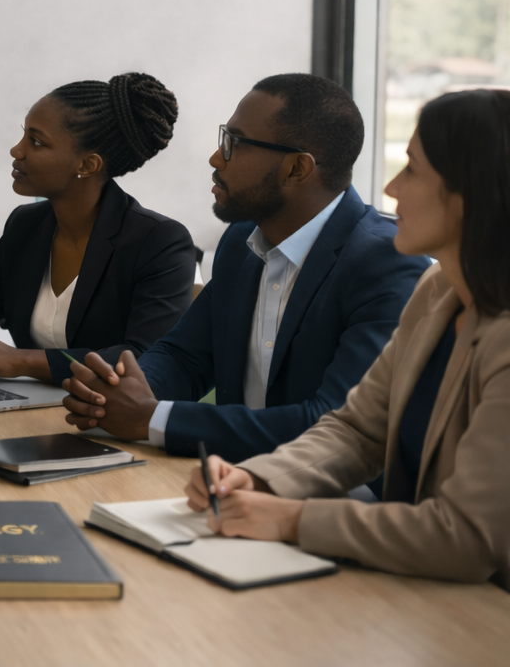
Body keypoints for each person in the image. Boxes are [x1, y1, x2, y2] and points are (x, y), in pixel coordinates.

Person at [187, 90, 510, 587]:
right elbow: (357, 430)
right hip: (421, 589)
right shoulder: (437, 291)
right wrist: (261, 479)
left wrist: (290, 520)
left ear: (472, 196)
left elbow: (465, 536)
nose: (392, 187)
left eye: (413, 170)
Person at [62, 73, 429, 462]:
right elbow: (186, 357)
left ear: (296, 169)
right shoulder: (241, 242)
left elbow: (334, 424)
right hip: (227, 480)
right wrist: (118, 389)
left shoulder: (387, 262)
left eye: (233, 143)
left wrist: (154, 419)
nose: (216, 158)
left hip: (334, 503)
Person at [0, 73, 195, 384]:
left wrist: (24, 361)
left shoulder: (160, 242)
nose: (17, 151)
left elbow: (146, 357)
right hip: (27, 410)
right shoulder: (25, 225)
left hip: (107, 417)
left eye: (36, 141)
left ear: (87, 165)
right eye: (23, 135)